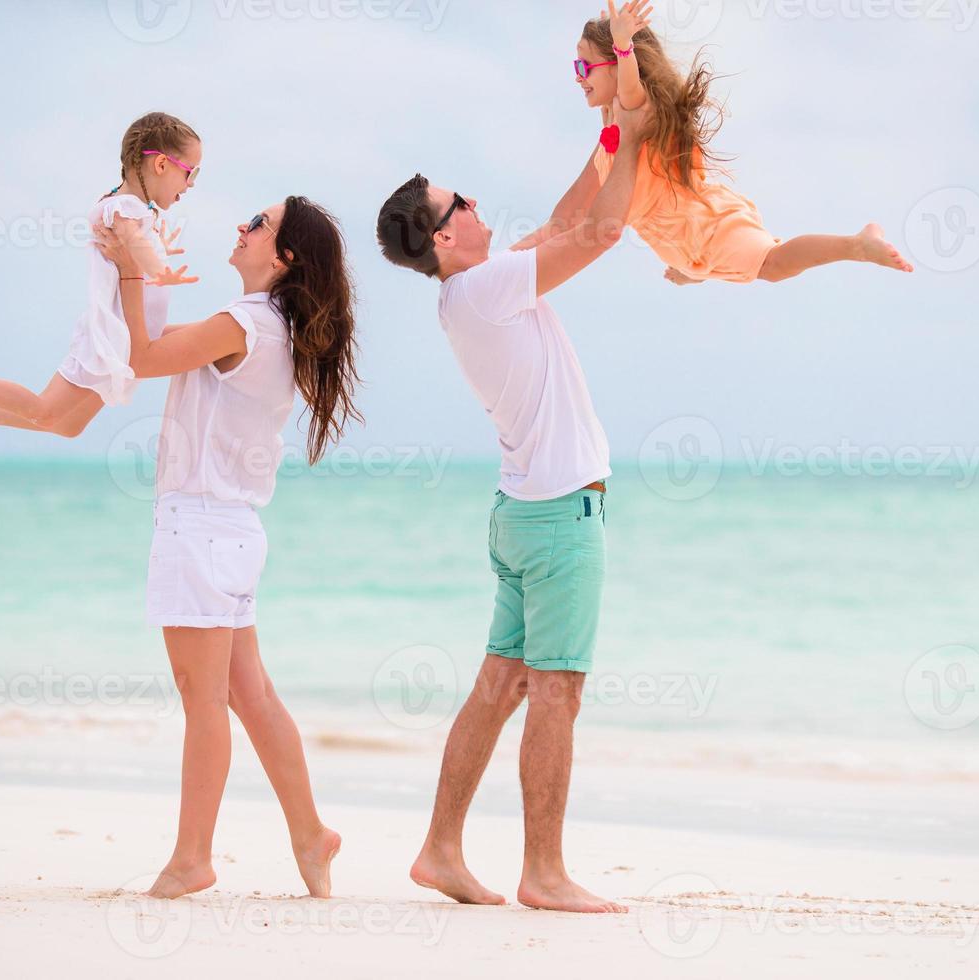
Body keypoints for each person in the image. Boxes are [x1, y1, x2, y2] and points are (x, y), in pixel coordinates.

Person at [375, 99, 649, 915]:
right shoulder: (485, 290)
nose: (479, 208)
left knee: (499, 685)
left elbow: (568, 220)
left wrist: (609, 141)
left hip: (525, 512)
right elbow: (599, 235)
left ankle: (441, 850)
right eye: (463, 204)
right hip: (560, 516)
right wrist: (635, 139)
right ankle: (544, 872)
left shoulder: (474, 293)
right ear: (444, 237)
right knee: (556, 690)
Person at [93, 198, 361, 899]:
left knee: (205, 698)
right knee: (249, 694)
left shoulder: (243, 323)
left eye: (257, 224)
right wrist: (146, 272)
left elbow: (140, 356)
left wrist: (128, 267)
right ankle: (310, 834)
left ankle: (193, 858)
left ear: (284, 257)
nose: (240, 228)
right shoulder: (273, 326)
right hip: (233, 531)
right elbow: (155, 342)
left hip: (202, 527)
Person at [514, 1, 913, 285]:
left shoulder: (635, 108)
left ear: (618, 67)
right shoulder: (612, 129)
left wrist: (622, 45)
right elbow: (565, 218)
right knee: (749, 269)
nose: (577, 75)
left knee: (773, 264)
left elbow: (629, 87)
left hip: (706, 227)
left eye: (584, 66)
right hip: (681, 246)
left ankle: (857, 245)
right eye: (575, 66)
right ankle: (694, 273)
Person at [0, 111, 201, 449]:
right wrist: (159, 269)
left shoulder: (132, 208)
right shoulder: (123, 207)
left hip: (132, 335)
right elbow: (132, 241)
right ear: (161, 165)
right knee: (45, 410)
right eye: (190, 173)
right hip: (110, 337)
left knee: (69, 426)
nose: (191, 185)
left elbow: (138, 241)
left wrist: (159, 249)